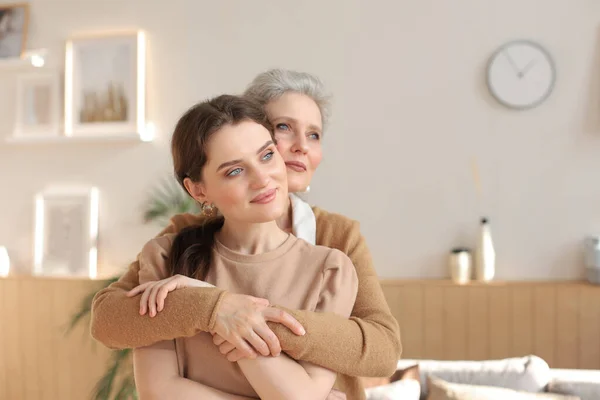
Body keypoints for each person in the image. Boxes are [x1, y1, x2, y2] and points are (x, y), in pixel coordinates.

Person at [90, 69, 402, 400]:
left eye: (314, 135)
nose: (300, 147)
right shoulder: (178, 242)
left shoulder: (335, 246)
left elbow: (382, 350)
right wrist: (213, 308)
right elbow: (111, 320)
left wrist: (248, 319)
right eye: (284, 128)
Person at [133, 94, 358, 399]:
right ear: (199, 189)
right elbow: (157, 392)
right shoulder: (164, 259)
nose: (262, 178)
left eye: (267, 155)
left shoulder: (332, 270)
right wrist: (217, 311)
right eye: (235, 171)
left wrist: (226, 319)